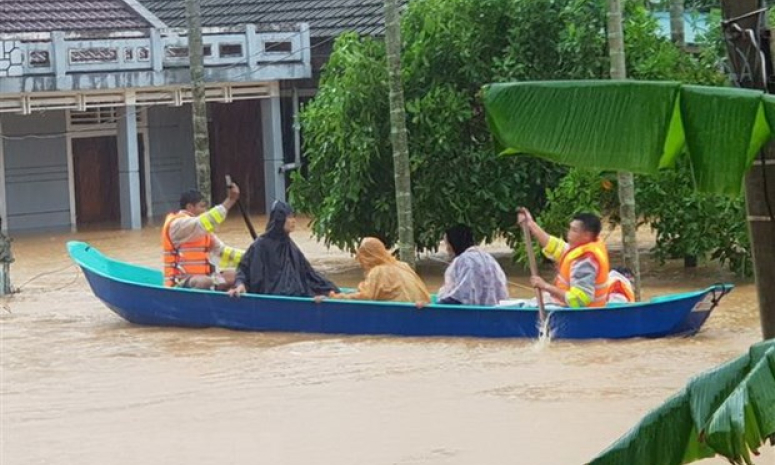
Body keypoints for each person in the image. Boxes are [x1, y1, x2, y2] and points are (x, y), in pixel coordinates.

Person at [228, 201, 339, 298]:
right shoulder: (260, 245)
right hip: (270, 298)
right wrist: (240, 285)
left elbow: (309, 274)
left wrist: (329, 290)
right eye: (289, 217)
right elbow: (243, 269)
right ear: (280, 219)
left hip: (295, 295)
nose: (293, 221)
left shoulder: (290, 246)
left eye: (293, 217)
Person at [517, 208, 611, 308]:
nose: (568, 233)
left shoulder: (586, 260)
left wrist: (545, 286)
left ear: (587, 235)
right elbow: (554, 246)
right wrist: (531, 224)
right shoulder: (583, 247)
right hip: (567, 307)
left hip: (582, 315)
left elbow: (579, 301)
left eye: (574, 230)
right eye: (570, 228)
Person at [162, 184, 244, 290]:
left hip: (207, 280)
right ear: (190, 207)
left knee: (235, 275)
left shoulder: (203, 232)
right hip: (181, 283)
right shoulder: (178, 225)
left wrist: (250, 258)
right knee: (202, 281)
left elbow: (223, 252)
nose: (205, 211)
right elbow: (205, 221)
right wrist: (230, 200)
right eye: (202, 206)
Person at [328, 237, 431, 305]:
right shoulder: (403, 265)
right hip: (420, 305)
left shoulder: (377, 272)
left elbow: (365, 297)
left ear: (368, 256)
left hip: (401, 311)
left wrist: (338, 297)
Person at [437, 225, 509, 306]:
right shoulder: (488, 257)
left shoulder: (464, 260)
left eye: (447, 244)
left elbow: (459, 296)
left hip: (473, 314)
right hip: (495, 311)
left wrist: (437, 304)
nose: (447, 249)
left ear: (454, 243)